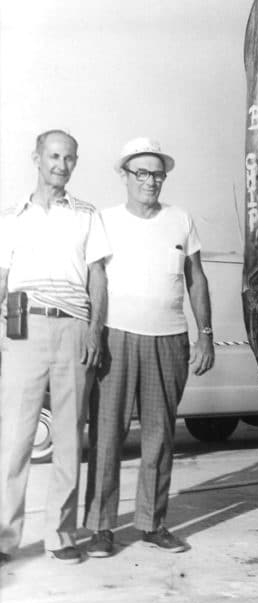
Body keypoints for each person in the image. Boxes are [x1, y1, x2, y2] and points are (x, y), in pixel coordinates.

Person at [83, 137, 214, 557]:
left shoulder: (180, 219)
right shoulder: (103, 220)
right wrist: (94, 330)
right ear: (124, 175)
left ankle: (152, 523)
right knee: (108, 434)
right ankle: (102, 528)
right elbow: (96, 280)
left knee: (159, 438)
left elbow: (196, 278)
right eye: (141, 172)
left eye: (157, 174)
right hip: (116, 336)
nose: (150, 181)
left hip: (169, 339)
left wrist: (205, 334)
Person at [0, 129, 109, 564]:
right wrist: (5, 334)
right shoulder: (13, 216)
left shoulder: (86, 214)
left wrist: (94, 328)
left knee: (67, 438)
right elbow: (4, 281)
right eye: (54, 156)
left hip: (72, 328)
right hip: (23, 324)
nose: (61, 166)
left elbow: (97, 277)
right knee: (15, 439)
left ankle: (61, 536)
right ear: (37, 158)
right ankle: (5, 537)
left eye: (69, 159)